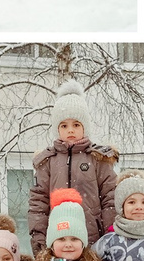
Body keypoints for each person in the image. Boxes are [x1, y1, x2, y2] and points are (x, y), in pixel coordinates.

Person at [27, 86, 118, 249]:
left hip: (93, 240)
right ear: (57, 129)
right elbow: (38, 203)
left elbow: (110, 198)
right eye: (64, 126)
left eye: (76, 124)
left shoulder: (97, 158)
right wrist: (39, 240)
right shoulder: (48, 161)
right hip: (58, 240)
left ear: (85, 127)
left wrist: (109, 237)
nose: (70, 130)